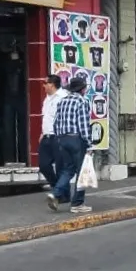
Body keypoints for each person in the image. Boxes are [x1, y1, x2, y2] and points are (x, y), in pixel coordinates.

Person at [47, 77, 92, 213]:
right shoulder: (82, 101)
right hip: (76, 140)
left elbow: (56, 122)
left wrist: (59, 138)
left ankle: (55, 193)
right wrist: (89, 144)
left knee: (68, 170)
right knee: (82, 171)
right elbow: (83, 125)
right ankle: (77, 203)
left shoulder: (62, 101)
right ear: (82, 89)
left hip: (62, 139)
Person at [38, 74, 67, 188]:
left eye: (45, 83)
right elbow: (47, 117)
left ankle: (62, 194)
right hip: (46, 136)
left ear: (52, 85)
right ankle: (56, 188)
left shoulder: (63, 97)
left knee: (60, 167)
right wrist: (42, 132)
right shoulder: (47, 99)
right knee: (43, 165)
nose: (43, 86)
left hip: (58, 136)